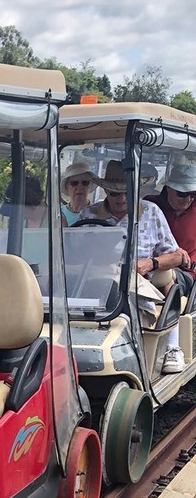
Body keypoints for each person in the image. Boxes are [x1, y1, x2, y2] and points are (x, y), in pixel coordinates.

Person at [80, 159, 190, 373]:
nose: (122, 198)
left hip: (139, 281)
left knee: (160, 282)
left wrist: (150, 263)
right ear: (105, 191)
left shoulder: (151, 211)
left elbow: (177, 255)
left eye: (127, 192)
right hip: (96, 282)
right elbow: (75, 254)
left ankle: (171, 347)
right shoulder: (88, 215)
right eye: (115, 193)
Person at [145, 161, 196, 287]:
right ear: (168, 188)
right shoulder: (150, 206)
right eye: (182, 194)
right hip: (149, 268)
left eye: (193, 194)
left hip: (187, 274)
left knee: (164, 277)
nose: (188, 199)